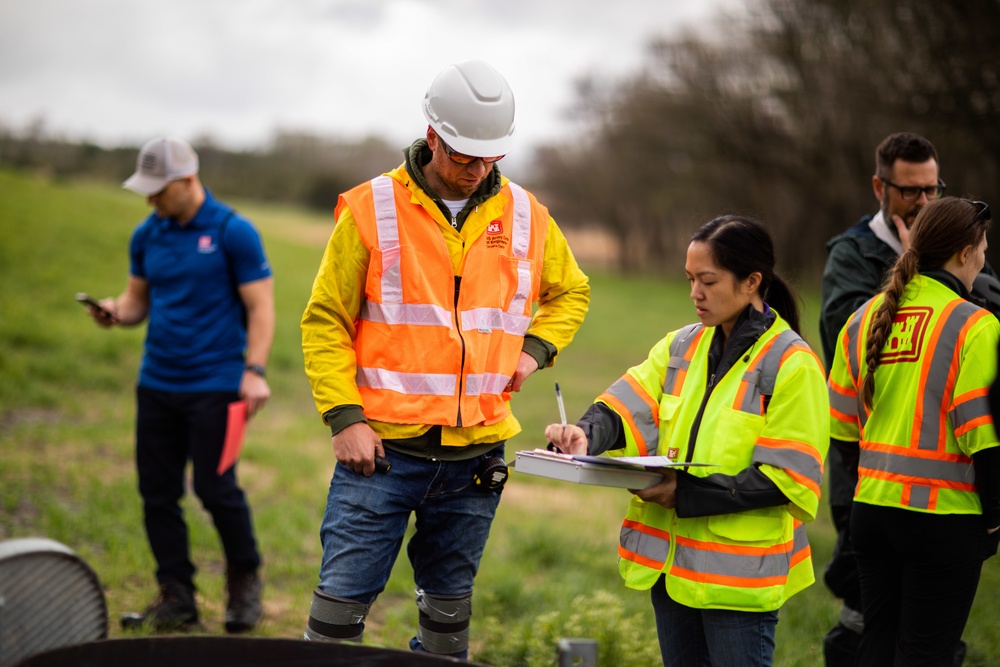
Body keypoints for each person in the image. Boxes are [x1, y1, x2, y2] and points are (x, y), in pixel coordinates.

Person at [299, 60, 590, 659]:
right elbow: (324, 319)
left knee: (448, 624)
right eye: (463, 156)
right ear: (433, 137)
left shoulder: (527, 215)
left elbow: (572, 292)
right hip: (379, 454)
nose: (477, 170)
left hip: (475, 459)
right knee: (338, 614)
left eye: (490, 158)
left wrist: (534, 352)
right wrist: (344, 416)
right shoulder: (373, 209)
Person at [546, 216, 828, 666]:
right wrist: (585, 434)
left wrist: (684, 494)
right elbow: (626, 405)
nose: (695, 292)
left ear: (752, 281)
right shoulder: (681, 346)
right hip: (670, 570)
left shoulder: (793, 365)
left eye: (708, 280)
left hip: (738, 585)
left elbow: (787, 480)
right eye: (690, 279)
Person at [818, 132, 998, 665]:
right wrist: (992, 523)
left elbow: (843, 430)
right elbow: (984, 438)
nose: (985, 262)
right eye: (984, 253)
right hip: (944, 519)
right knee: (928, 653)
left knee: (876, 647)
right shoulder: (974, 324)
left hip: (873, 513)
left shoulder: (862, 317)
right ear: (966, 253)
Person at [82, 137, 273, 633]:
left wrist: (254, 372)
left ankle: (244, 581)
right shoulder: (147, 235)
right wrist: (114, 312)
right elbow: (136, 301)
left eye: (158, 190)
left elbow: (261, 308)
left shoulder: (235, 232)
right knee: (157, 492)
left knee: (216, 488)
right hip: (157, 384)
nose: (150, 200)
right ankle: (177, 596)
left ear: (188, 180)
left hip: (217, 386)